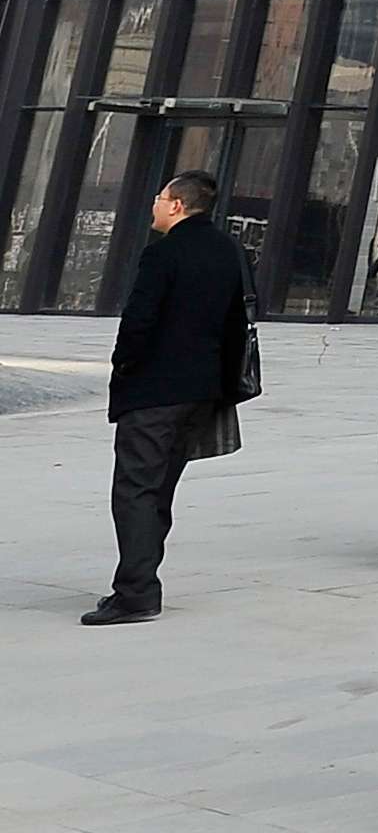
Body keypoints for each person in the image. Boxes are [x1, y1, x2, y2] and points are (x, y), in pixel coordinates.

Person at [89, 168, 250, 625]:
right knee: (159, 490)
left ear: (177, 205)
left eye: (160, 198)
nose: (154, 205)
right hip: (201, 391)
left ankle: (136, 593)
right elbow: (238, 323)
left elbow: (139, 320)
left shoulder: (162, 253)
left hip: (155, 390)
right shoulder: (229, 250)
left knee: (135, 490)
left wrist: (124, 365)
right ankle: (139, 583)